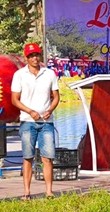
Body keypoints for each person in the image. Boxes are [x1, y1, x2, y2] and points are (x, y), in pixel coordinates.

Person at [10, 42, 60, 200]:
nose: (35, 58)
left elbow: (56, 96)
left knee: (47, 157)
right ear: (26, 58)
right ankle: (26, 192)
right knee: (28, 157)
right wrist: (30, 111)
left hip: (46, 123)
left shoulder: (49, 74)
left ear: (40, 56)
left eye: (37, 55)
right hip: (27, 121)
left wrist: (50, 110)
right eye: (31, 56)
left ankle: (49, 192)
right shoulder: (19, 75)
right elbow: (14, 100)